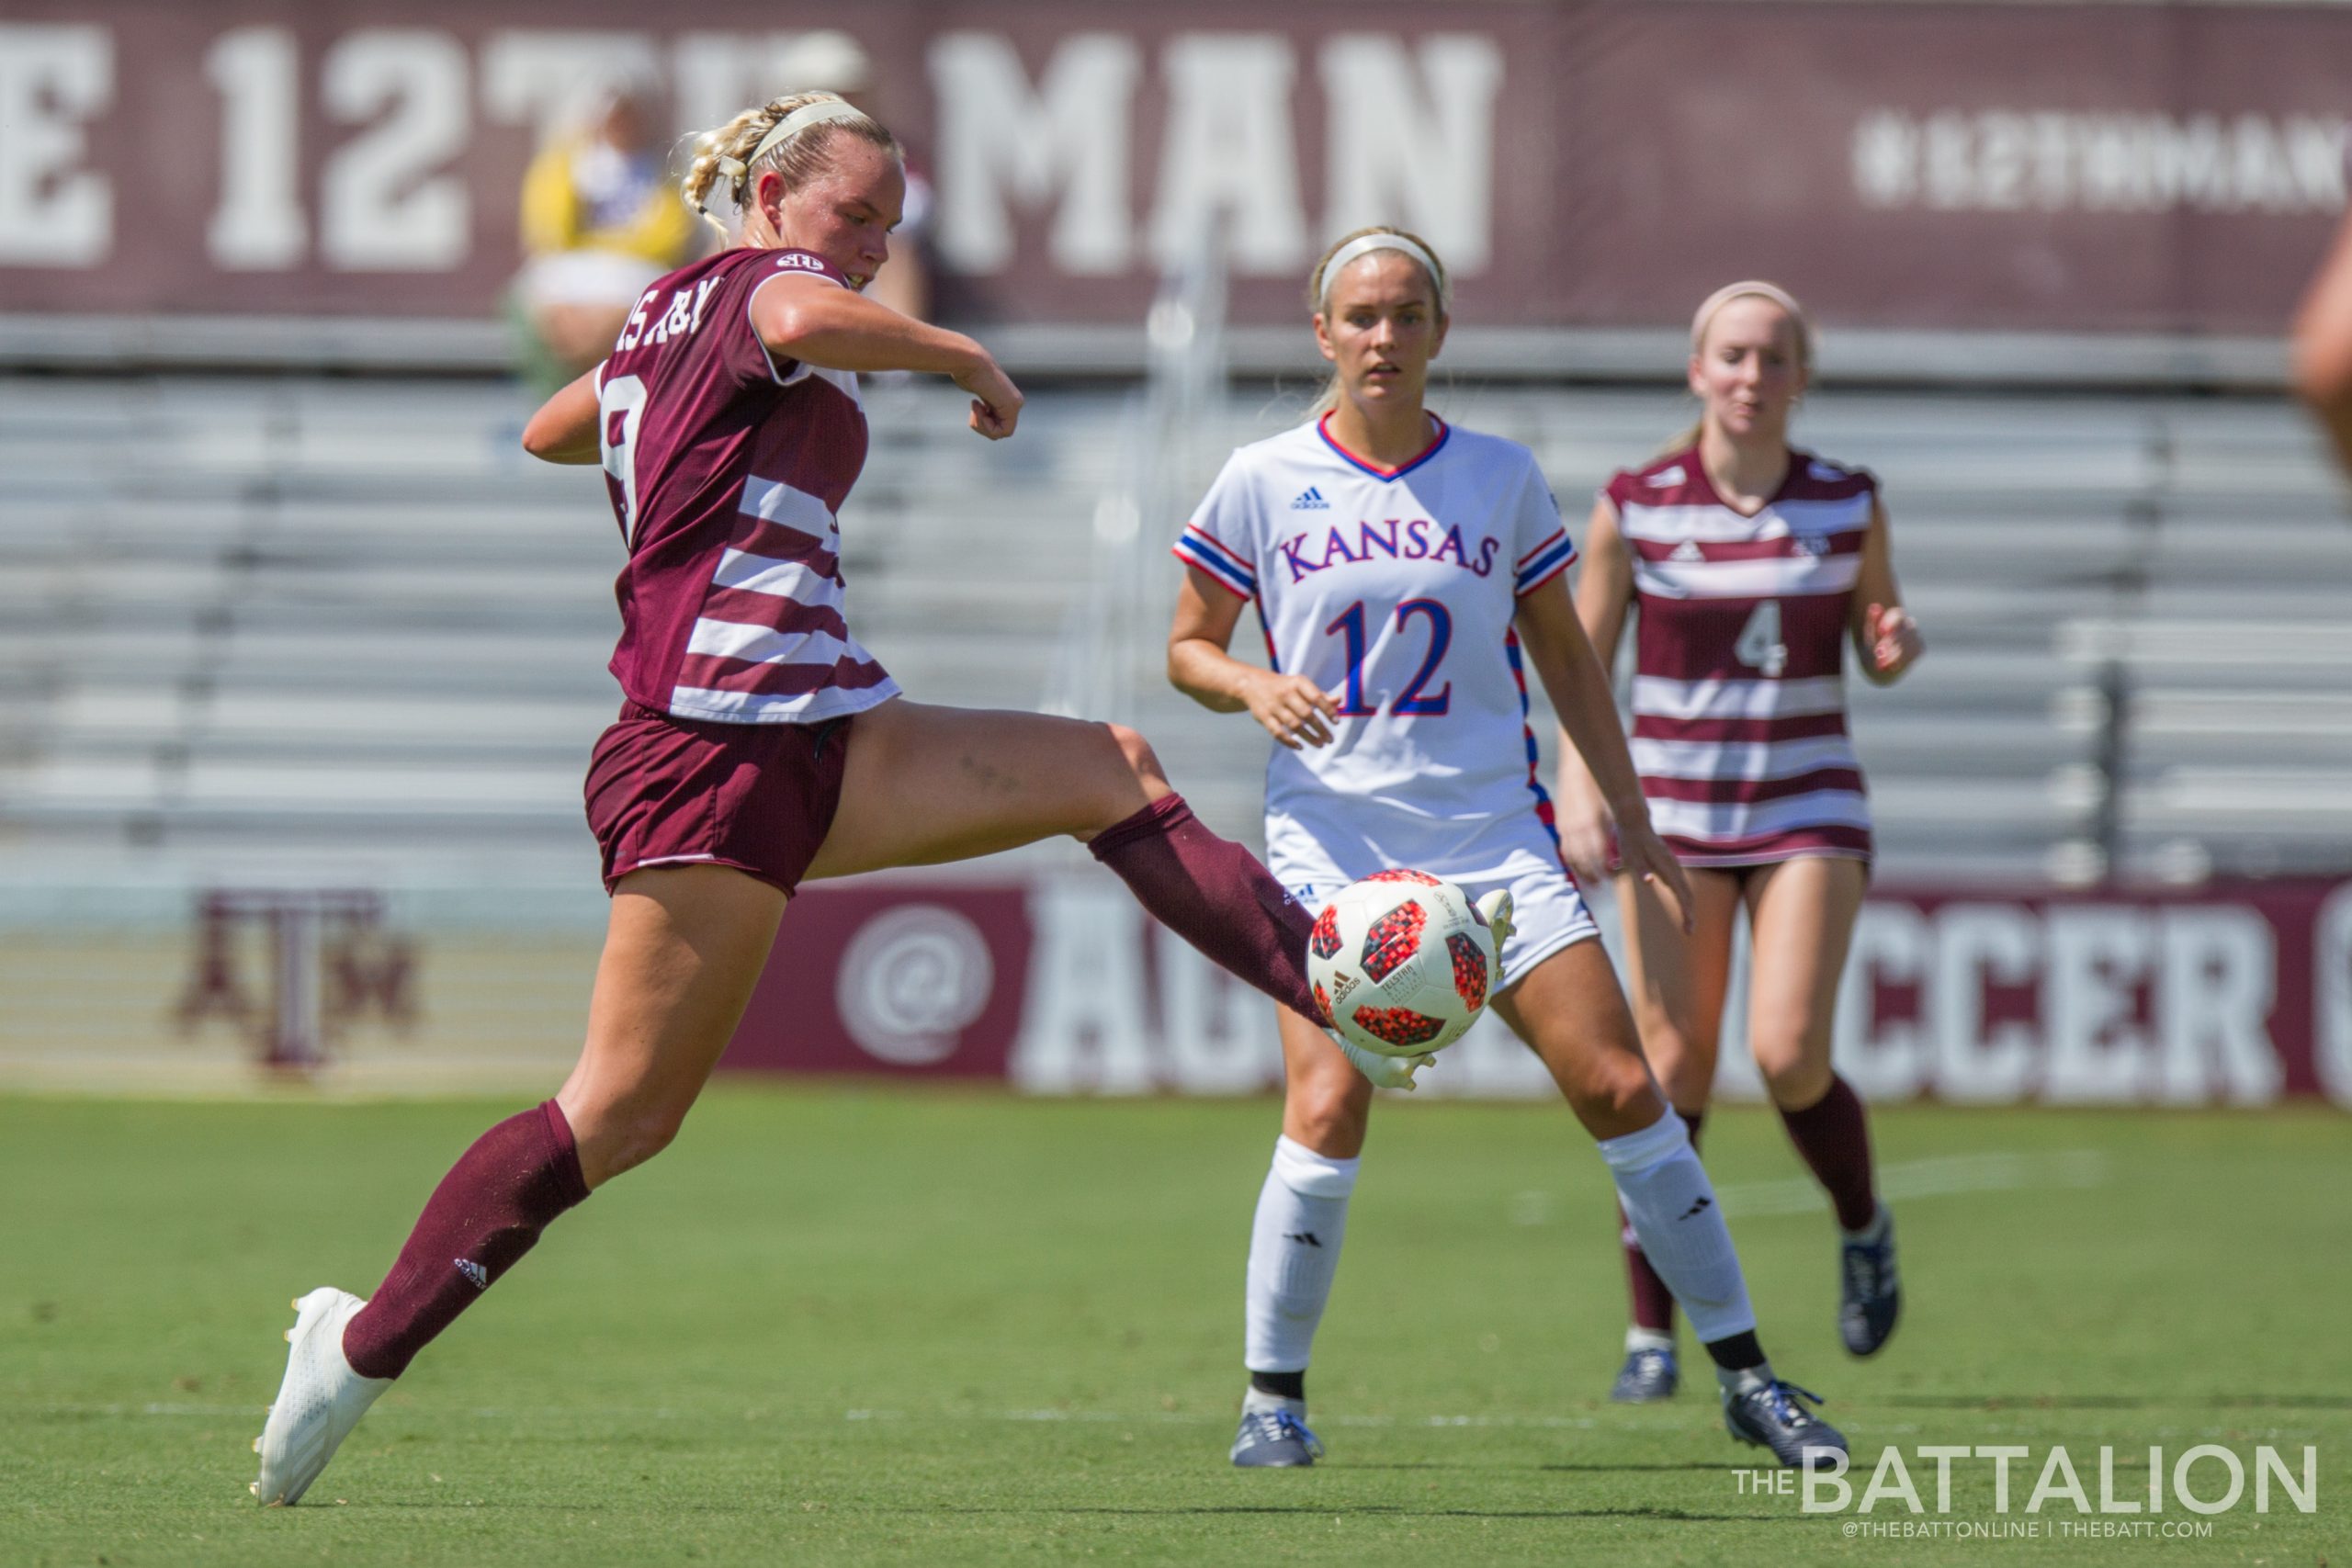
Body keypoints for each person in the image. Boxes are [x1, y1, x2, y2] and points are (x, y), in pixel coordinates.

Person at [254, 91, 1384, 1506]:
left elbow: (560, 427)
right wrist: (961, 350)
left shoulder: (681, 312)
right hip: (712, 744)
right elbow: (788, 323)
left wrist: (642, 396)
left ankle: (1341, 997)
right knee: (621, 1112)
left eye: (891, 228)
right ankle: (351, 1350)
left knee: (1110, 765)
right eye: (853, 217)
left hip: (826, 724)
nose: (868, 248)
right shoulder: (749, 289)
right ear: (772, 197)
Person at [1166, 229, 1848, 1472]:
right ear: (1323, 335)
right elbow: (1186, 645)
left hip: (1493, 839)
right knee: (1325, 1098)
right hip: (1332, 844)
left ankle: (1749, 1376)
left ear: (1438, 333)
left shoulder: (1498, 477)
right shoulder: (1262, 477)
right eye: (1361, 316)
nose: (1383, 336)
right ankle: (1273, 1397)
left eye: (1406, 315)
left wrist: (1633, 817)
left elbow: (1571, 660)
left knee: (1625, 1087)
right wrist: (1246, 682)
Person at [1556, 282, 1923, 1404]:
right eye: (1732, 356)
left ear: (1799, 376)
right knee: (1668, 1072)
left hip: (1808, 807)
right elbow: (1582, 668)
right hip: (1671, 820)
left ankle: (1861, 1225)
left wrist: (1894, 646)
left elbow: (1876, 643)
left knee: (1785, 1055)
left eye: (1772, 359)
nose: (1751, 376)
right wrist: (1584, 798)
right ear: (1697, 372)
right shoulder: (1635, 504)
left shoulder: (1847, 502)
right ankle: (1651, 1337)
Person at [512, 78, 702, 394]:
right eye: (613, 116)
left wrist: (608, 245)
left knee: (637, 308)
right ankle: (565, 400)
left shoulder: (662, 167)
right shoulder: (566, 164)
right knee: (542, 305)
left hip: (634, 273)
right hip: (570, 273)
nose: (619, 125)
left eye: (627, 116)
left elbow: (669, 240)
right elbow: (549, 234)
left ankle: (612, 395)